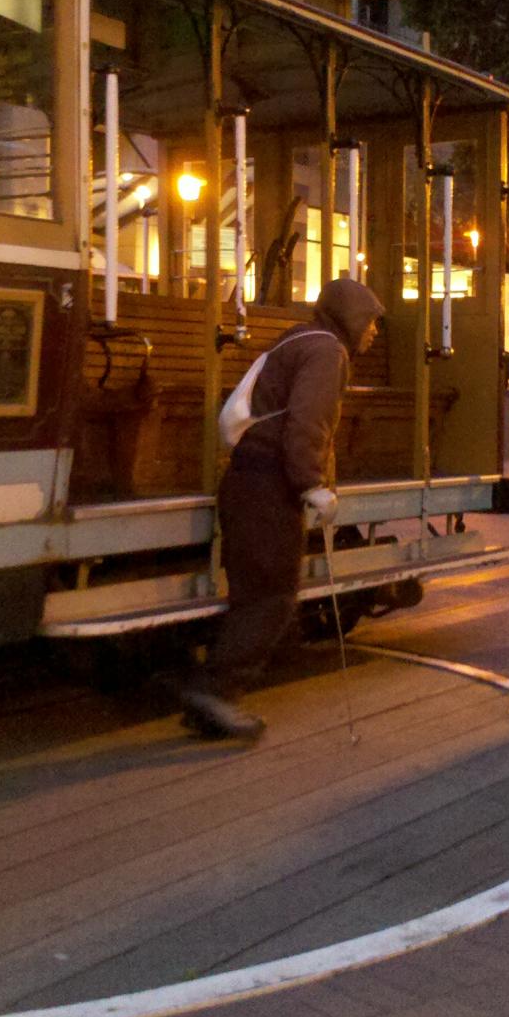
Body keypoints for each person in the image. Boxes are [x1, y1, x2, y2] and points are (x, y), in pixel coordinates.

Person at [182, 275, 385, 740]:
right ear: (351, 318)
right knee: (271, 596)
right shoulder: (326, 352)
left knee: (255, 593)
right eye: (371, 322)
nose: (373, 332)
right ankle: (215, 692)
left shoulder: (300, 340)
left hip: (248, 479)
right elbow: (307, 421)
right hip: (267, 485)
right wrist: (313, 485)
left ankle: (209, 696)